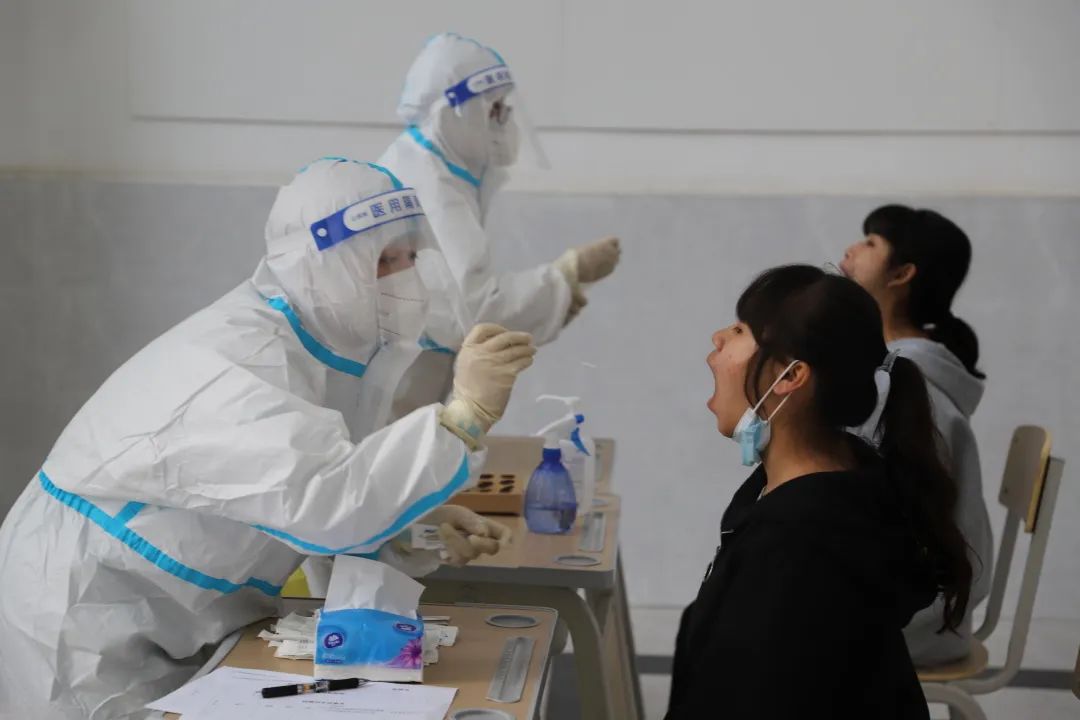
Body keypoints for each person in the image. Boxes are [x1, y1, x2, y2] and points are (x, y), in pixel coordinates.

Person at [0, 158, 534, 719]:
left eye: (409, 258)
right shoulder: (241, 362)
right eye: (382, 261)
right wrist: (463, 418)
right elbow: (327, 503)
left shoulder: (329, 353)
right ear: (319, 264)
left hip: (182, 613)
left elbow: (308, 488)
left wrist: (408, 526)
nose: (402, 279)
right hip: (83, 614)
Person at [668, 265, 973, 719]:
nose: (718, 338)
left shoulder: (795, 542)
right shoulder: (837, 487)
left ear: (790, 376)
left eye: (740, 330)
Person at [377, 32, 621, 344]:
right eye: (494, 108)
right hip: (413, 367)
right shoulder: (431, 186)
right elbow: (470, 310)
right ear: (452, 113)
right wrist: (565, 276)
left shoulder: (432, 166)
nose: (502, 120)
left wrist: (560, 293)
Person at [841, 205, 992, 665]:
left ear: (902, 273)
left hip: (909, 616)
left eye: (870, 243)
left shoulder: (904, 379)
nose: (851, 250)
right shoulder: (899, 366)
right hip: (915, 602)